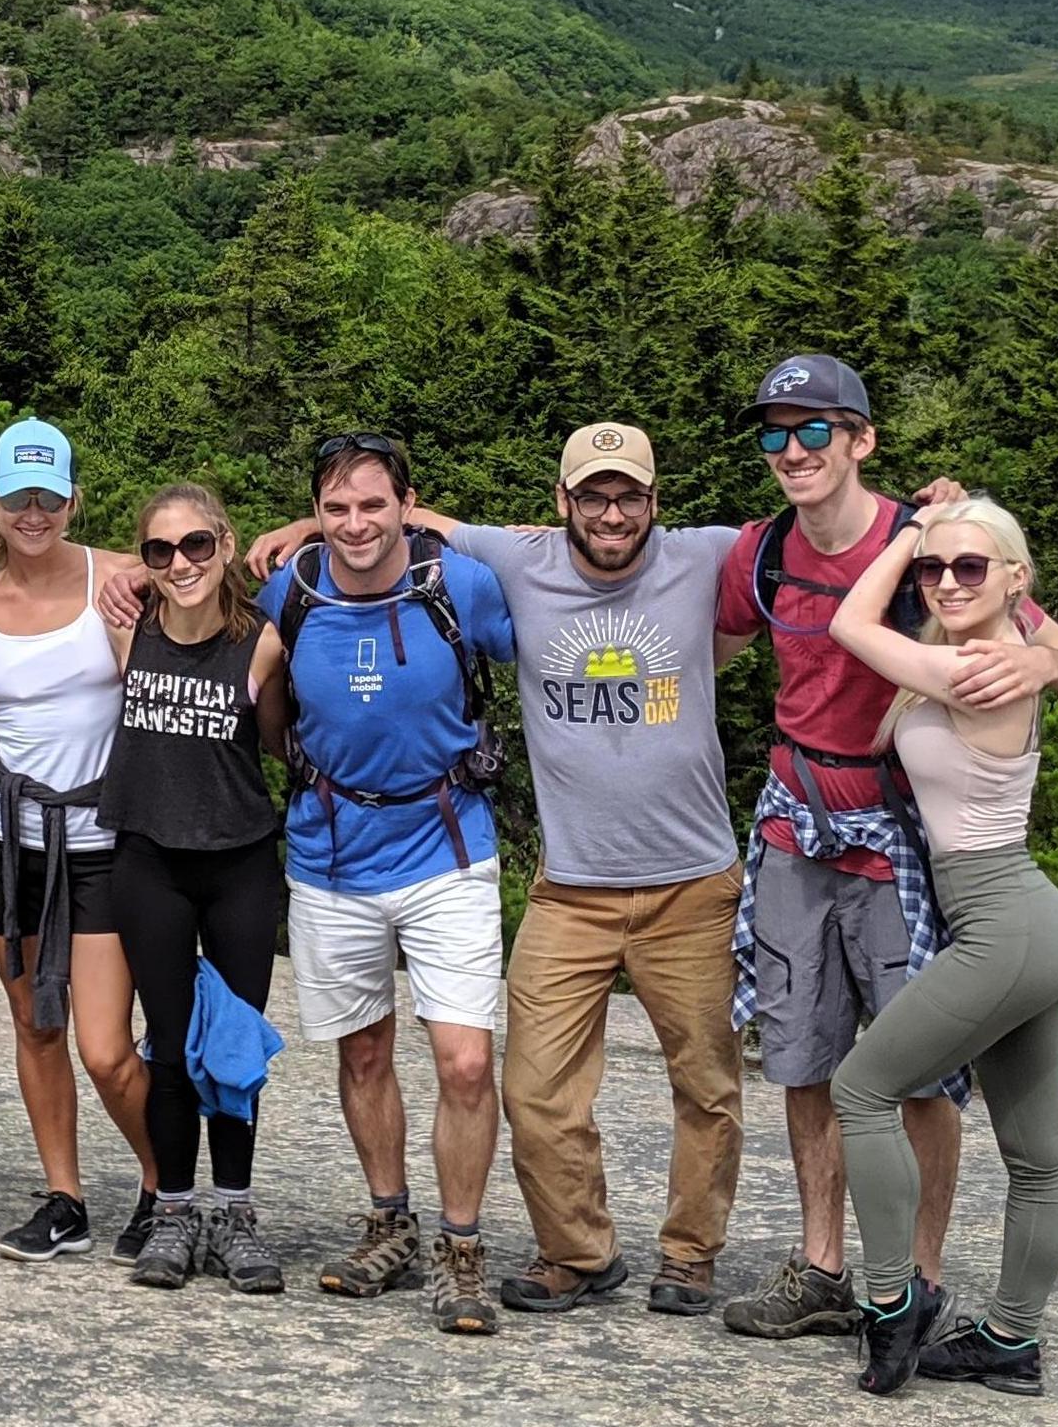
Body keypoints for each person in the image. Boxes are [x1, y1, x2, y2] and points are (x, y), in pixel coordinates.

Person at [254, 420, 745, 1321]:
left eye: (626, 493)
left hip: (690, 877)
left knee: (703, 1081)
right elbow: (400, 522)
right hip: (569, 880)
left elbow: (812, 549)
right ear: (559, 503)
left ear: (653, 500)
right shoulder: (511, 561)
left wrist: (924, 520)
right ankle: (575, 1251)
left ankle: (688, 1252)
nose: (609, 510)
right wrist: (294, 532)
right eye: (590, 494)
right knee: (532, 1084)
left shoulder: (703, 555)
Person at [712, 354, 1058, 1342]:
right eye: (775, 433)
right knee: (803, 1054)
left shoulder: (939, 552)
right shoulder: (758, 554)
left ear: (861, 440)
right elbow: (670, 607)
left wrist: (1042, 657)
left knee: (914, 1071)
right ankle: (822, 1266)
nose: (793, 450)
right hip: (796, 819)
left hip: (899, 840)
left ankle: (916, 1279)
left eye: (815, 430)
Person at [825, 496, 1058, 1396]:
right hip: (1027, 921)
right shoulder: (1008, 642)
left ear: (1015, 578)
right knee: (1033, 1153)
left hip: (1003, 921)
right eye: (933, 568)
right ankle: (1011, 1341)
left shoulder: (974, 663)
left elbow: (847, 621)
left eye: (966, 566)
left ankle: (892, 1302)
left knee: (861, 1087)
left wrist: (903, 533)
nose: (942, 581)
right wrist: (1049, 654)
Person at [257, 434, 516, 1336]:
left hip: (447, 843)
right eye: (335, 508)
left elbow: (565, 575)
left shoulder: (460, 586)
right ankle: (388, 1219)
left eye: (375, 504)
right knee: (362, 1052)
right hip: (330, 850)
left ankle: (462, 1243)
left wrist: (452, 526)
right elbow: (238, 676)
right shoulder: (289, 590)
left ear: (409, 503)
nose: (356, 524)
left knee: (467, 1058)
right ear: (316, 515)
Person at [0, 417, 160, 1268]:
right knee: (37, 1027)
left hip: (103, 840)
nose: (31, 512)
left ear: (73, 498)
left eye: (47, 495)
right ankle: (64, 1195)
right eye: (15, 496)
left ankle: (162, 1186)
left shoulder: (122, 576)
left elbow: (211, 589)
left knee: (106, 1047)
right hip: (6, 841)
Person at [98, 483, 291, 1296]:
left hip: (240, 861)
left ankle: (236, 1214)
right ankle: (174, 1209)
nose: (179, 563)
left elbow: (280, 741)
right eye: (158, 551)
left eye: (196, 546)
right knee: (170, 1044)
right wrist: (126, 575)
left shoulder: (263, 642)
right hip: (149, 862)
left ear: (223, 542)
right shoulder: (123, 628)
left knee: (234, 1050)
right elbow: (57, 555)